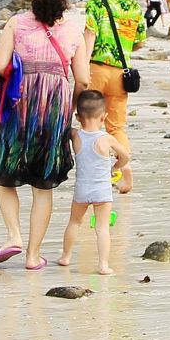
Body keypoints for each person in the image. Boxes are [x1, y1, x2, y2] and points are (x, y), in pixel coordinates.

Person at [0, 0, 90, 266]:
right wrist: (70, 109)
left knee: (6, 175)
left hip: (19, 102)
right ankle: (32, 256)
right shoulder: (73, 31)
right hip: (57, 105)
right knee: (43, 186)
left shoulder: (16, 23)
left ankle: (13, 236)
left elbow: (0, 65)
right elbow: (82, 79)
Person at [57, 88, 132, 274]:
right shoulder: (107, 139)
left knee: (74, 222)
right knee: (102, 228)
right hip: (102, 191)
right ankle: (103, 265)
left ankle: (65, 257)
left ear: (78, 116)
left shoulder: (75, 135)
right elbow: (125, 157)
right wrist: (114, 168)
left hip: (82, 189)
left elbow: (62, 130)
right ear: (104, 116)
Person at [81, 0, 147, 163]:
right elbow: (140, 42)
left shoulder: (95, 3)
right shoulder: (134, 6)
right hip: (122, 73)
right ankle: (123, 167)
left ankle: (97, 167)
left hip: (97, 69)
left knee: (92, 123)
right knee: (117, 126)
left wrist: (82, 64)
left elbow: (90, 35)